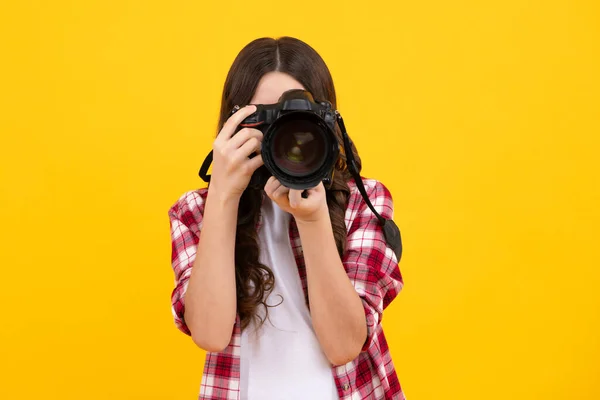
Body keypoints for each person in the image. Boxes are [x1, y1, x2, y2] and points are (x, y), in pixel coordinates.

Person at [168, 36, 406, 400]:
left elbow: (345, 345)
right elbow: (210, 335)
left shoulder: (365, 200)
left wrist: (313, 221)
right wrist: (223, 197)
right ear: (234, 124)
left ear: (327, 123)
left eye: (297, 119)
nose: (286, 135)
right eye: (265, 118)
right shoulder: (197, 210)